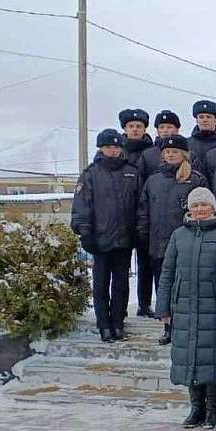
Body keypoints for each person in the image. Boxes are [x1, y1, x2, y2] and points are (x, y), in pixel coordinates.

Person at [155, 187, 216, 429]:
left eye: (204, 205)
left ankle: (212, 410)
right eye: (195, 205)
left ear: (213, 207)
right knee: (189, 356)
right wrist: (163, 307)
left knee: (213, 357)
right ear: (189, 208)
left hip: (214, 305)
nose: (199, 210)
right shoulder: (179, 235)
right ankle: (196, 408)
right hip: (185, 306)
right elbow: (167, 272)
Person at [136, 134, 208, 345]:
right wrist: (143, 232)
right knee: (164, 287)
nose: (170, 155)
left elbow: (205, 209)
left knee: (188, 289)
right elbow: (143, 209)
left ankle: (189, 328)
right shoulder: (153, 180)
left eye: (174, 151)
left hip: (187, 244)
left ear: (183, 154)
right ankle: (168, 327)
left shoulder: (195, 179)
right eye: (167, 152)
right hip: (159, 244)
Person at [71, 129, 142, 343]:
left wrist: (139, 232)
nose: (113, 150)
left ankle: (118, 324)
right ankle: (104, 326)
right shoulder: (91, 173)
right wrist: (85, 233)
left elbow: (141, 205)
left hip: (124, 239)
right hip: (100, 240)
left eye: (117, 146)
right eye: (109, 146)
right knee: (101, 285)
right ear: (101, 148)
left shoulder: (132, 172)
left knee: (121, 285)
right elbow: (82, 205)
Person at [118, 108, 159, 318]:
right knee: (122, 266)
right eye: (131, 126)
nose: (135, 129)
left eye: (139, 126)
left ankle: (145, 304)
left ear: (145, 129)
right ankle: (119, 307)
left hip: (146, 214)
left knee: (146, 263)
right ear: (125, 128)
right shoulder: (117, 151)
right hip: (122, 215)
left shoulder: (152, 152)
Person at [188, 100, 216, 173]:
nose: (205, 120)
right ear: (196, 120)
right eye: (201, 117)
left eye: (208, 117)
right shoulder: (186, 143)